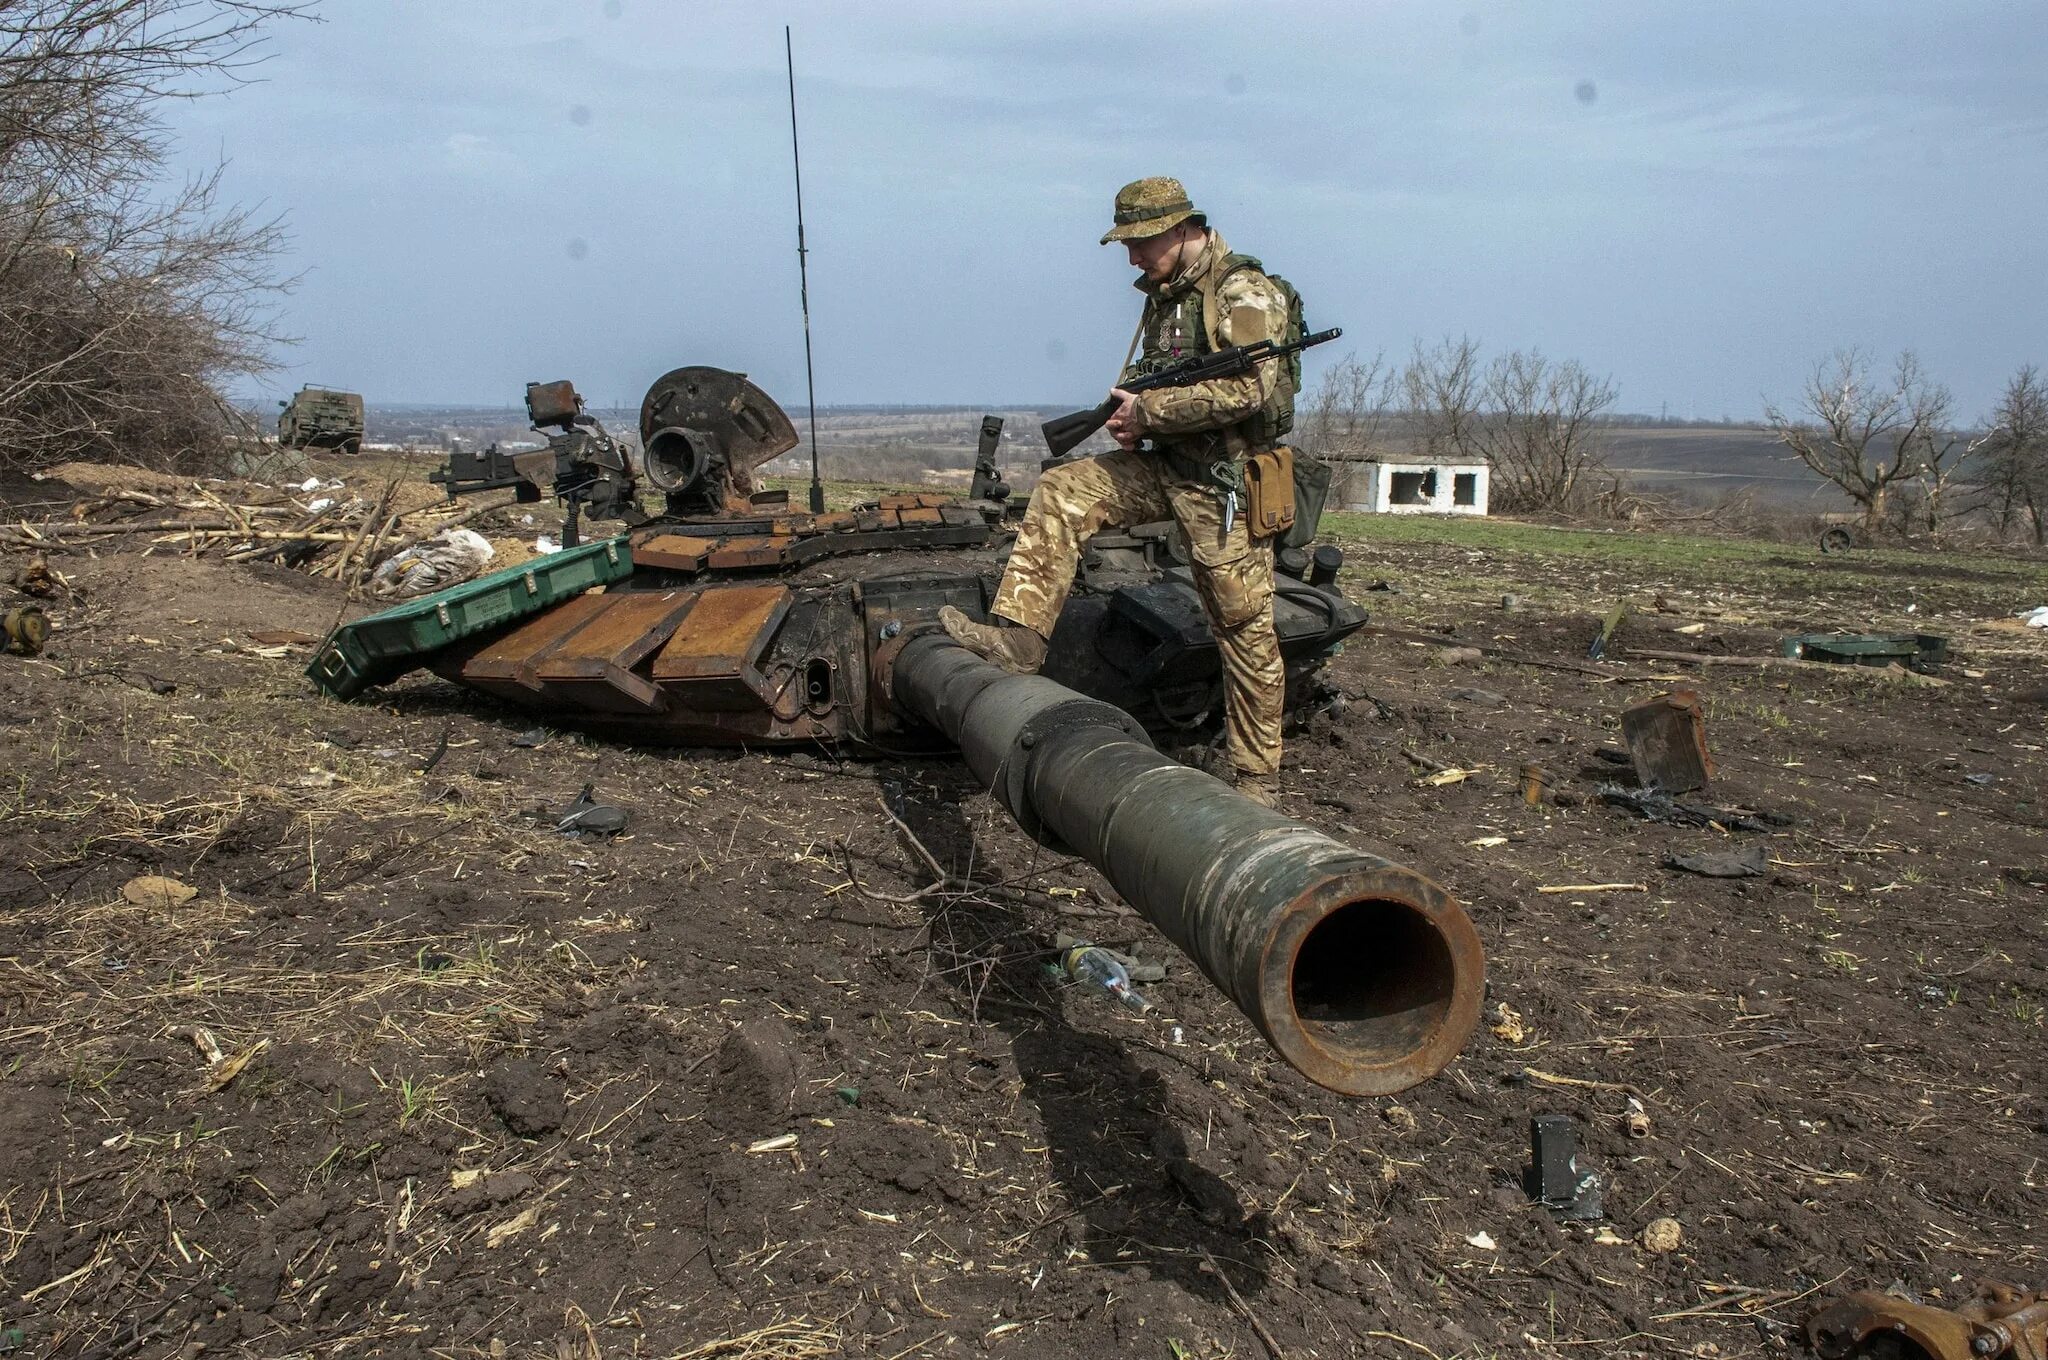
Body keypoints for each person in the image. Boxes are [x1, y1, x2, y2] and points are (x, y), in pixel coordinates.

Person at [939, 176, 1295, 807]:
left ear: (1184, 229)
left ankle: (1255, 778)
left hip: (1226, 483)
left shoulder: (1242, 291)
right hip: (1166, 467)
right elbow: (1153, 382)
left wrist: (1152, 413)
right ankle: (1018, 639)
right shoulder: (1164, 296)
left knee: (1242, 627)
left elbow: (1249, 389)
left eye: (1142, 242)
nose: (1132, 257)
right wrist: (1130, 417)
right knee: (1064, 488)